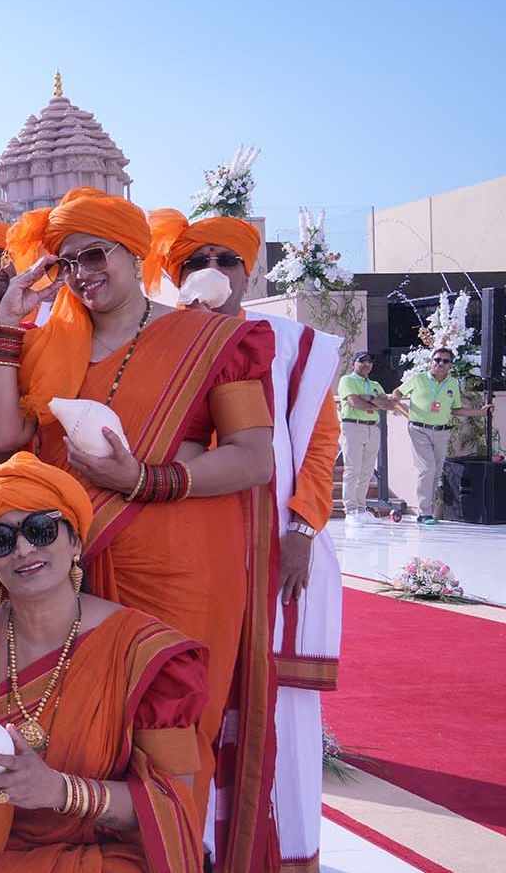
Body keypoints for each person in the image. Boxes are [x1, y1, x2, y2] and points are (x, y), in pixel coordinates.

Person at [0, 187, 279, 872]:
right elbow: (0, 437)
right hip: (63, 573)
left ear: (134, 253)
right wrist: (7, 323)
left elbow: (253, 455)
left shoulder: (210, 340)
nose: (83, 273)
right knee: (72, 738)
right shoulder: (52, 343)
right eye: (69, 261)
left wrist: (147, 478)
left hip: (178, 567)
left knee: (170, 735)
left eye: (96, 255)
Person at [0, 445, 210, 873]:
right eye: (0, 540)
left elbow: (175, 800)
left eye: (40, 529)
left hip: (107, 857)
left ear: (76, 540)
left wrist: (59, 791)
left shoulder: (143, 652)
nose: (24, 549)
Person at [148, 209, 345, 870]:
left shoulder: (294, 345)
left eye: (225, 260)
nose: (212, 273)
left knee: (276, 709)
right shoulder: (156, 338)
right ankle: (189, 844)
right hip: (184, 554)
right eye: (194, 261)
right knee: (184, 698)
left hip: (269, 548)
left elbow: (319, 444)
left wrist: (302, 526)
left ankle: (280, 853)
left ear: (249, 269)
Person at [392, 347, 493, 524]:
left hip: (442, 431)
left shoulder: (452, 383)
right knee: (427, 469)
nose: (440, 364)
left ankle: (428, 511)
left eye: (445, 361)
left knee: (436, 472)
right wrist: (400, 406)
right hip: (419, 429)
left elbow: (455, 409)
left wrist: (479, 412)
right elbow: (397, 393)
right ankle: (424, 513)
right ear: (431, 361)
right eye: (437, 360)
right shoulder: (419, 378)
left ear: (450, 365)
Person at [335, 352, 393, 521]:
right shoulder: (347, 380)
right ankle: (351, 510)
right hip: (353, 425)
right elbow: (354, 402)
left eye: (369, 362)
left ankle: (360, 508)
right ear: (354, 363)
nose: (367, 364)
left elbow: (388, 404)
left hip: (372, 427)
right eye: (362, 361)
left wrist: (369, 398)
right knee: (353, 469)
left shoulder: (375, 384)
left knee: (367, 472)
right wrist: (376, 403)